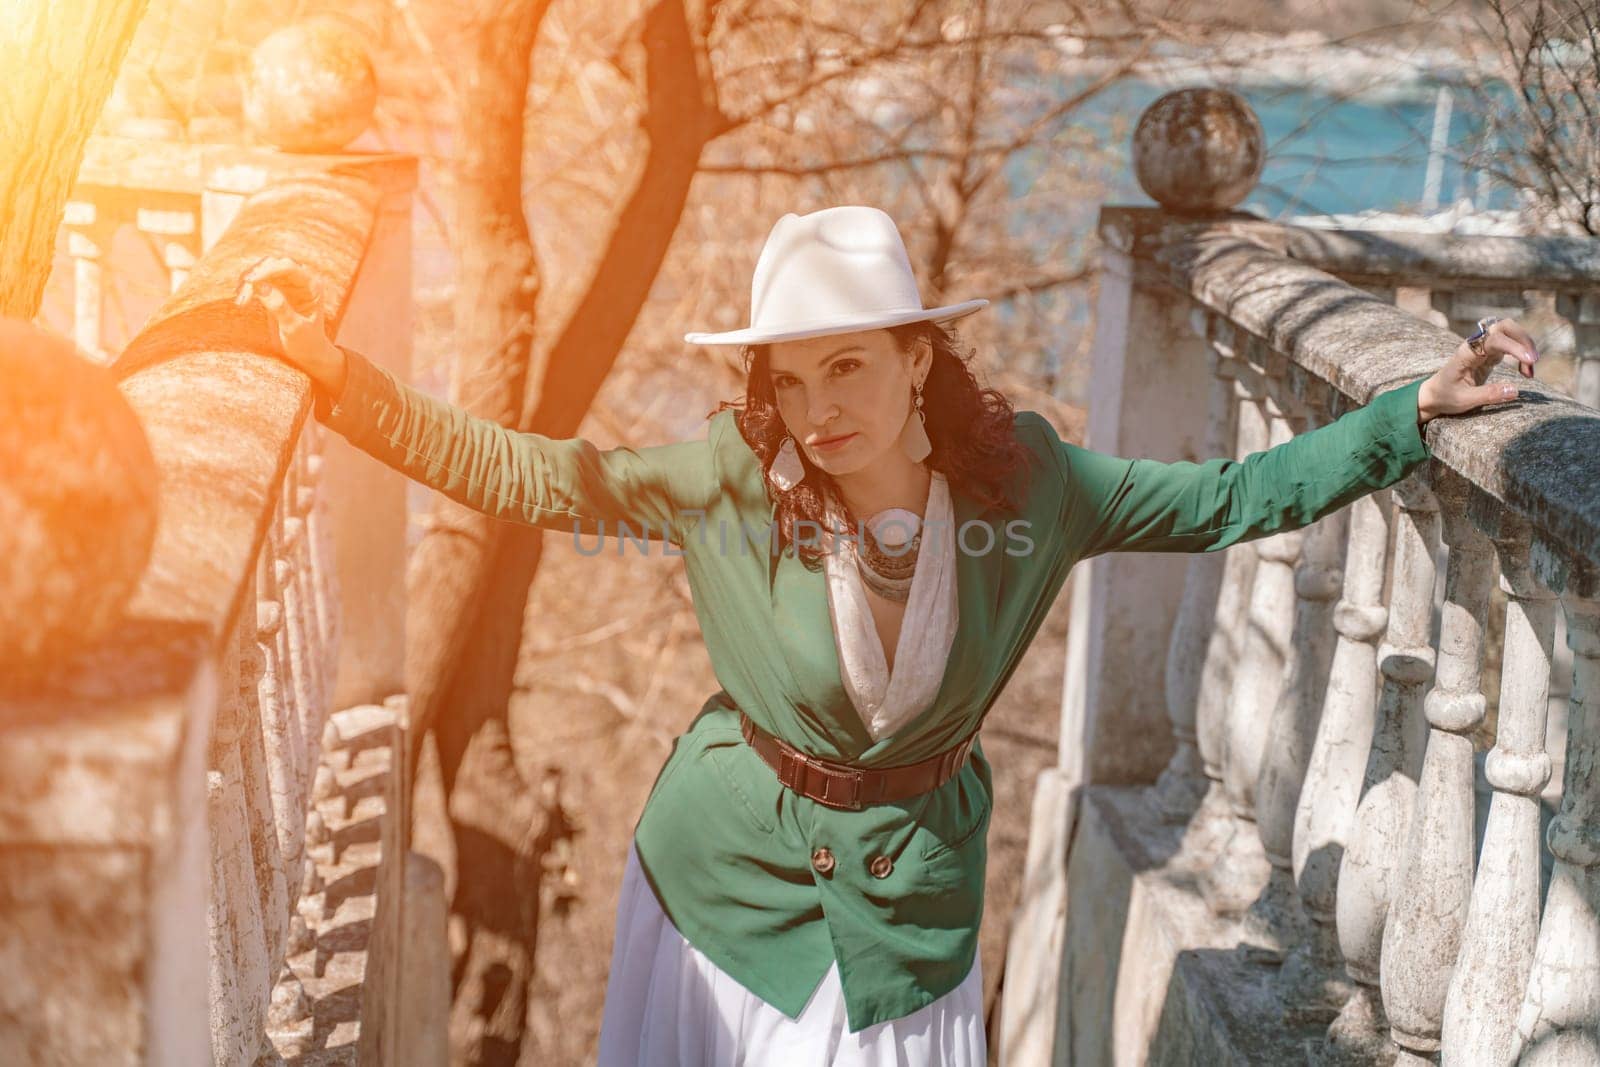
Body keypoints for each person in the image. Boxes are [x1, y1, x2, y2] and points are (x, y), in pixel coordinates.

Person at [239, 205, 1539, 1065]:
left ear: (918, 359)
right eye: (789, 380)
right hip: (719, 890)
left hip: (904, 912)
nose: (814, 408)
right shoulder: (728, 484)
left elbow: (1229, 501)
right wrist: (336, 378)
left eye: (845, 365)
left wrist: (1412, 411)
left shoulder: (1033, 490)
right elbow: (535, 477)